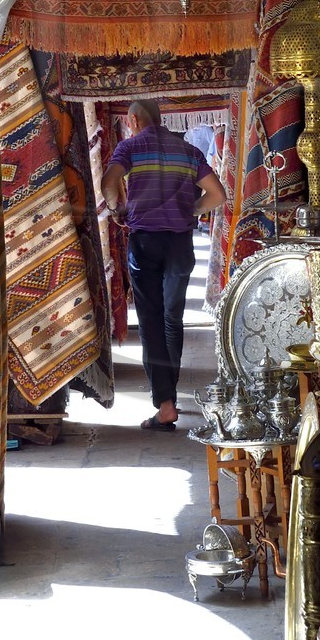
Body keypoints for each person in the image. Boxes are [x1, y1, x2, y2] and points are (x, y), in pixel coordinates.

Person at [102, 100, 227, 431]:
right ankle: (170, 397)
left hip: (146, 244)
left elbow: (108, 182)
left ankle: (166, 404)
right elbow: (217, 195)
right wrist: (190, 210)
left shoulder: (130, 147)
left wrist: (118, 208)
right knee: (173, 319)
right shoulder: (187, 150)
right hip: (180, 244)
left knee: (151, 323)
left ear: (132, 120)